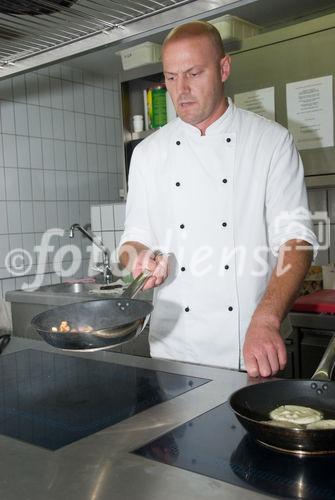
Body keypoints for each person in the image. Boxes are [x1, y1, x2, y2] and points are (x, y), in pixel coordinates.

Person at [118, 21, 318, 377]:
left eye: (194, 73)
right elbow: (131, 242)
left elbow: (296, 241)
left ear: (224, 68)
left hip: (251, 346)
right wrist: (139, 259)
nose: (181, 89)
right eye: (171, 76)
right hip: (173, 351)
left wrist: (267, 318)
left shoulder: (271, 143)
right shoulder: (147, 154)